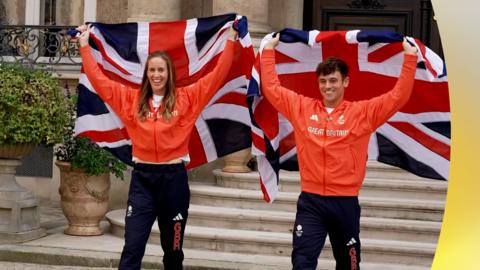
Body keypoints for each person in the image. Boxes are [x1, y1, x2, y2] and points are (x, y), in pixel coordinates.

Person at [75, 24, 238, 270]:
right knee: (132, 247)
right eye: (152, 70)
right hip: (143, 181)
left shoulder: (187, 99)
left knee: (173, 252)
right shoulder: (131, 100)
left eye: (161, 70)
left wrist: (232, 40)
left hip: (174, 182)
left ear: (169, 73)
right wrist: (85, 46)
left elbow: (217, 75)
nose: (156, 75)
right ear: (147, 73)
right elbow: (100, 81)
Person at [260, 34, 418, 270]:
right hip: (311, 202)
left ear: (345, 82)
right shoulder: (302, 108)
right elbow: (272, 89)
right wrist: (268, 51)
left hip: (345, 203)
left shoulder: (363, 113)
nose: (327, 86)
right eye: (323, 81)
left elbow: (398, 97)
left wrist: (410, 57)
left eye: (333, 80)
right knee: (302, 262)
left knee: (349, 265)